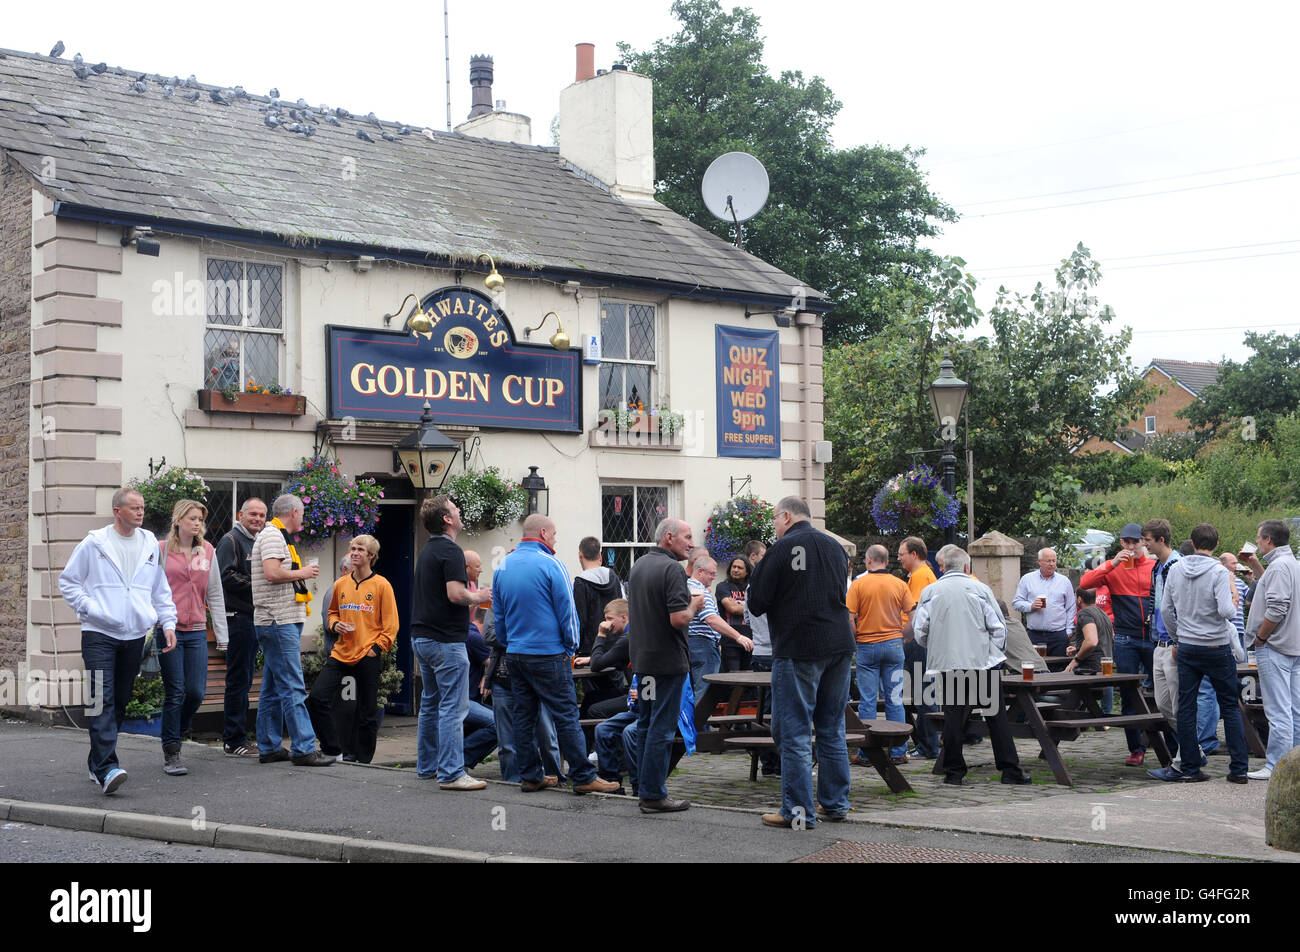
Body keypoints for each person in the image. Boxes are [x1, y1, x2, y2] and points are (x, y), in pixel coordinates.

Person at [60, 487, 177, 795]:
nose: (141, 512)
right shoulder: (94, 543)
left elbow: (159, 588)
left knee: (121, 700)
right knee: (103, 699)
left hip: (134, 635)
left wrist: (167, 622)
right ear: (117, 511)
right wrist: (92, 608)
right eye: (134, 507)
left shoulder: (150, 543)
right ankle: (107, 768)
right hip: (98, 633)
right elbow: (68, 582)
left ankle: (96, 760)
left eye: (142, 507)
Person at [747, 497, 854, 829]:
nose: (775, 528)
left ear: (787, 517)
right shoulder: (835, 548)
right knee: (831, 727)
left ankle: (797, 811)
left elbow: (757, 602)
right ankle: (835, 804)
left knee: (792, 731)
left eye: (775, 521)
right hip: (839, 644)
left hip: (799, 646)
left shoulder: (781, 548)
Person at [492, 514, 619, 795]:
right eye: (555, 535)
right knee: (565, 716)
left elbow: (499, 618)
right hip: (549, 654)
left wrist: (510, 643)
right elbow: (568, 614)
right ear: (544, 533)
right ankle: (583, 775)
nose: (556, 540)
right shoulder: (552, 565)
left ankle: (530, 776)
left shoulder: (502, 567)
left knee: (523, 716)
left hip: (515, 653)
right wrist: (570, 649)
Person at [914, 545, 1030, 787]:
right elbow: (998, 628)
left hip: (949, 663)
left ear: (942, 566)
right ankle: (1010, 770)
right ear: (967, 567)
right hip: (981, 663)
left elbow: (920, 631)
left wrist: (937, 646)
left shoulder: (930, 591)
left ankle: (954, 773)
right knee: (996, 718)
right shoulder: (980, 589)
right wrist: (991, 653)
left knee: (954, 718)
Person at [1149, 523, 1249, 784]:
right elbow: (1227, 612)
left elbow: (1166, 610)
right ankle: (1238, 768)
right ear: (1215, 545)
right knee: (1229, 705)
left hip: (1188, 647)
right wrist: (1234, 600)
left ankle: (1190, 766)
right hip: (1216, 646)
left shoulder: (1177, 569)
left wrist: (1176, 637)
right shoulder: (1218, 571)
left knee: (1186, 707)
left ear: (1192, 544)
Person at [411, 494, 492, 790]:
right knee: (453, 708)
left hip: (422, 638)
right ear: (447, 519)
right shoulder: (451, 550)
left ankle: (428, 767)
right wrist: (480, 596)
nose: (459, 512)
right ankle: (452, 773)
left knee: (431, 705)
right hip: (446, 642)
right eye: (456, 509)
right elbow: (456, 595)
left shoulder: (428, 551)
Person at [627, 517, 706, 814]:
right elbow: (678, 619)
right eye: (687, 537)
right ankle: (653, 794)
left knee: (646, 725)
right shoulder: (672, 569)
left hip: (643, 662)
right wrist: (694, 606)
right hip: (667, 663)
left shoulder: (640, 565)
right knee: (661, 728)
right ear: (669, 537)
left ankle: (644, 788)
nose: (691, 543)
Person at [251, 494, 333, 767]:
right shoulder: (274, 536)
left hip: (277, 620)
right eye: (303, 513)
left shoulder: (274, 534)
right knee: (293, 685)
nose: (304, 517)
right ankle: (304, 748)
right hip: (278, 621)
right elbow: (273, 573)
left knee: (273, 687)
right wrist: (304, 572)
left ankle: (269, 746)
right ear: (294, 512)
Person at [307, 535, 398, 764]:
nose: (355, 552)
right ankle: (333, 748)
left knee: (367, 713)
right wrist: (335, 624)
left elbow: (391, 625)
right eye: (353, 548)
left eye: (361, 550)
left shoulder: (382, 585)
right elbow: (332, 613)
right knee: (316, 699)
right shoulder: (341, 584)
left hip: (368, 653)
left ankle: (364, 761)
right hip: (341, 653)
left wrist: (376, 649)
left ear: (371, 556)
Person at [158, 499, 228, 776]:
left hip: (198, 629)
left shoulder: (206, 551)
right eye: (192, 518)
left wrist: (222, 635)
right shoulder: (162, 551)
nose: (197, 523)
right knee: (175, 691)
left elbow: (215, 594)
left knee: (196, 692)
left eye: (200, 519)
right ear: (178, 520)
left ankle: (177, 727)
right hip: (169, 630)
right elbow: (149, 589)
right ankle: (171, 751)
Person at [1081, 522, 1156, 763]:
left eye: (1135, 541)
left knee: (1161, 692)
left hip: (1153, 637)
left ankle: (1165, 742)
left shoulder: (1155, 565)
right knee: (1129, 693)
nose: (1131, 546)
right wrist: (1112, 563)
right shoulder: (1113, 568)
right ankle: (1136, 749)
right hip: (1126, 637)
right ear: (1121, 543)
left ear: (1144, 542)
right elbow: (1085, 584)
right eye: (1127, 542)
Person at [846, 544, 915, 765]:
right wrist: (903, 635)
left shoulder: (858, 585)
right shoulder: (899, 584)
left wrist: (856, 636)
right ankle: (898, 752)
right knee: (895, 699)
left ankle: (867, 752)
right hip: (893, 645)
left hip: (867, 645)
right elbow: (914, 615)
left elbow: (849, 617)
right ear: (887, 561)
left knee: (868, 700)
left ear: (868, 561)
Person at [1246, 519, 1300, 781]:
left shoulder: (1279, 567)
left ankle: (1276, 766)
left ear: (1268, 540)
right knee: (1295, 709)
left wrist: (1260, 637)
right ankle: (1294, 765)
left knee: (1279, 711)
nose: (1257, 542)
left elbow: (1277, 607)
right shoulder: (1293, 564)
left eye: (1259, 538)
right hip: (1294, 645)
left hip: (1276, 646)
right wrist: (1256, 566)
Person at [214, 497, 266, 756]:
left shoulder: (256, 541)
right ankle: (233, 740)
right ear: (240, 514)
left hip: (251, 620)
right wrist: (261, 584)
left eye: (261, 515)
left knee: (245, 679)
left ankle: (239, 737)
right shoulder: (230, 540)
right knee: (238, 680)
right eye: (253, 514)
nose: (257, 519)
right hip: (237, 620)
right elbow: (225, 577)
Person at [1144, 518, 1188, 766]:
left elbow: (1180, 606)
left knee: (1178, 703)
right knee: (1163, 704)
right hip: (1157, 642)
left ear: (1161, 539)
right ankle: (1193, 748)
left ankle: (1187, 754)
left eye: (1148, 540)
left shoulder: (1177, 565)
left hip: (1173, 643)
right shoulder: (1156, 567)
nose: (1145, 544)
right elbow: (1157, 604)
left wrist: (1178, 641)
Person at [685, 557, 752, 700]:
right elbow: (711, 618)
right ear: (700, 571)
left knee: (693, 692)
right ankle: (700, 723)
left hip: (695, 644)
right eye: (712, 573)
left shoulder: (691, 587)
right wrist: (738, 637)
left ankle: (692, 722)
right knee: (704, 694)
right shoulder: (697, 590)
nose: (714, 577)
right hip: (702, 646)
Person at [898, 537, 939, 759]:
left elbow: (915, 614)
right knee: (923, 693)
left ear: (914, 555)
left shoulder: (921, 576)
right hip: (924, 641)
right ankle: (926, 744)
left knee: (924, 694)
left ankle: (928, 746)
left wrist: (902, 636)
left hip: (917, 642)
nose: (899, 558)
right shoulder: (922, 575)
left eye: (901, 553)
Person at [743, 541, 779, 778]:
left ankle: (768, 763)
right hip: (773, 652)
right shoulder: (775, 589)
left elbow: (747, 617)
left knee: (764, 710)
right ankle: (772, 764)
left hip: (759, 652)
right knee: (776, 711)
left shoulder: (749, 589)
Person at [1012, 548, 1076, 658]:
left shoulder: (1064, 581)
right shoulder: (1027, 579)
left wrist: (1069, 631)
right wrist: (1030, 606)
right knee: (1036, 670)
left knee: (1058, 670)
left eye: (1054, 561)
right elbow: (1016, 603)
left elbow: (1071, 607)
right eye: (1048, 561)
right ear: (1039, 562)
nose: (1051, 564)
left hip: (1058, 635)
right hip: (1035, 634)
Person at [572, 536, 624, 657]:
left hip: (590, 650)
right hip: (614, 648)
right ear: (599, 556)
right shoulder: (614, 577)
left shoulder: (580, 583)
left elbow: (580, 621)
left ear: (580, 555)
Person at [716, 556, 753, 673]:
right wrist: (750, 607)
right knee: (732, 678)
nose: (735, 570)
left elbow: (761, 607)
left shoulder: (752, 587)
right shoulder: (723, 586)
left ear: (747, 571)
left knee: (750, 679)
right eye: (734, 567)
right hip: (730, 641)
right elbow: (732, 608)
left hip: (751, 640)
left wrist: (739, 605)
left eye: (740, 568)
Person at [1065, 588, 1113, 676]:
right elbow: (1105, 639)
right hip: (1105, 666)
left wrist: (1075, 660)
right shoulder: (1103, 614)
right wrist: (1079, 648)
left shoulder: (1085, 613)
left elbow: (1091, 642)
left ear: (1079, 599)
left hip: (1090, 669)